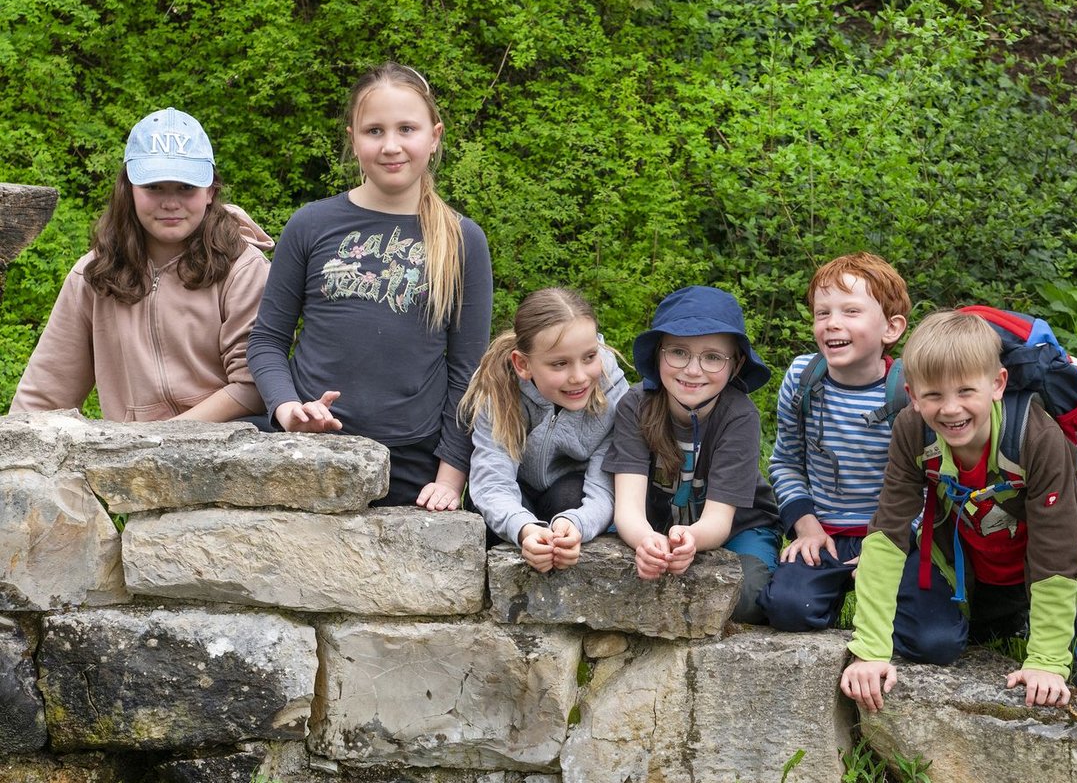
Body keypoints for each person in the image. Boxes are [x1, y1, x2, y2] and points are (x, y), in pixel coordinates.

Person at [840, 310, 1077, 711]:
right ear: (913, 396)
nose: (950, 409)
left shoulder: (1038, 437)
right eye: (933, 395)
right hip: (984, 557)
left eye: (966, 391)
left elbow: (1056, 552)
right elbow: (887, 533)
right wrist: (869, 651)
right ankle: (1013, 608)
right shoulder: (911, 429)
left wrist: (1046, 662)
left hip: (1065, 554)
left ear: (997, 384)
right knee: (939, 640)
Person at [248, 62, 492, 509]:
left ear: (434, 137)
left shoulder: (462, 239)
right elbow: (266, 341)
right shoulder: (311, 224)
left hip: (413, 464)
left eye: (407, 129)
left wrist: (451, 477)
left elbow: (469, 372)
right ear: (353, 139)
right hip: (308, 449)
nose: (391, 145)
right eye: (374, 131)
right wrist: (286, 410)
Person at [10, 107, 272, 423]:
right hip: (129, 460)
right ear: (129, 189)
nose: (170, 202)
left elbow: (252, 385)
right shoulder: (92, 274)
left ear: (210, 191)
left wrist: (162, 437)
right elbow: (44, 395)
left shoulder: (244, 268)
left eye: (186, 187)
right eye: (154, 186)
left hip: (228, 451)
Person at [604, 286, 781, 623]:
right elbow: (626, 507)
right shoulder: (635, 405)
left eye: (713, 357)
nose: (693, 370)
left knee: (747, 600)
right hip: (656, 523)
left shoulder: (739, 415)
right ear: (658, 354)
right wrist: (646, 541)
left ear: (736, 363)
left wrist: (691, 540)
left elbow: (717, 521)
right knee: (628, 581)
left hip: (737, 529)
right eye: (679, 352)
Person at [759, 253, 910, 630]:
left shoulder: (910, 391)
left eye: (851, 312)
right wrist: (805, 525)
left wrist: (893, 543)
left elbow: (928, 480)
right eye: (822, 313)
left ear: (890, 329)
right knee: (788, 608)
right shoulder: (802, 378)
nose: (832, 324)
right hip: (822, 530)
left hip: (893, 533)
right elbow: (786, 462)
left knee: (934, 641)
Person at [461, 287, 629, 572]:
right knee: (481, 513)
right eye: (559, 364)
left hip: (568, 494)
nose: (579, 377)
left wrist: (577, 524)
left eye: (589, 357)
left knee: (569, 499)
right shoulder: (497, 384)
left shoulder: (613, 390)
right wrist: (524, 527)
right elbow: (492, 479)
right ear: (523, 364)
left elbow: (605, 485)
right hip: (515, 489)